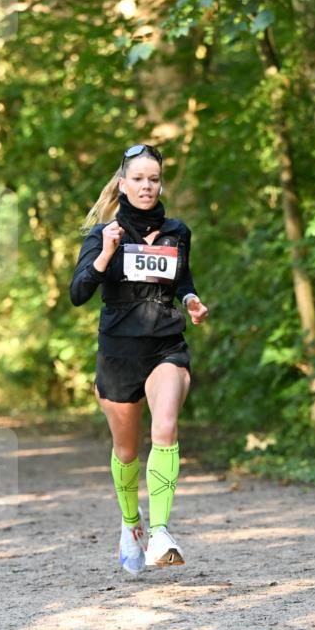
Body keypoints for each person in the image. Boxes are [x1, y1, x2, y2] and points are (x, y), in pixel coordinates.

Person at [70, 144, 209, 574]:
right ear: (123, 184)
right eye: (138, 179)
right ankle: (132, 524)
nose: (147, 186)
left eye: (154, 179)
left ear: (160, 184)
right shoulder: (103, 234)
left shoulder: (177, 232)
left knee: (164, 427)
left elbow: (182, 277)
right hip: (119, 352)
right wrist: (105, 254)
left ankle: (161, 532)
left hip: (166, 345)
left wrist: (190, 299)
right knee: (126, 451)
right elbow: (78, 293)